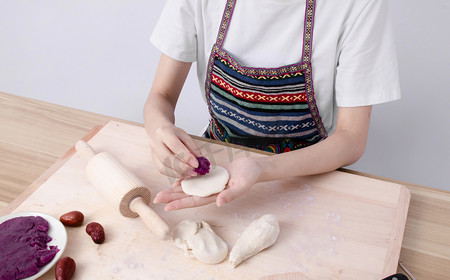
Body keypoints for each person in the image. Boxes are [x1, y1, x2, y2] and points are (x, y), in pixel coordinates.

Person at [144, 0, 400, 211]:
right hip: (218, 162)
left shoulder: (360, 5)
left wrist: (260, 167)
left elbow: (352, 138)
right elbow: (161, 95)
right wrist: (159, 130)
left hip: (309, 175)